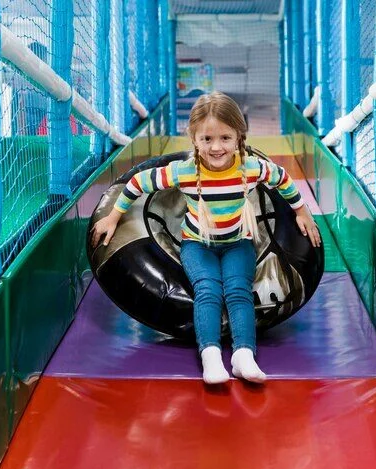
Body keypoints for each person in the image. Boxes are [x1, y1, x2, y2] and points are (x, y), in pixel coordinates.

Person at [92, 92, 321, 384]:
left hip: (238, 243)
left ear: (239, 136)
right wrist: (113, 216)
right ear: (194, 138)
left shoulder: (251, 168)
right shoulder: (185, 172)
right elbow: (137, 183)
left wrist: (302, 212)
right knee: (208, 290)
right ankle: (210, 356)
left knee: (239, 291)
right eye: (207, 139)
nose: (216, 147)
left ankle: (243, 356)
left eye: (225, 138)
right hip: (197, 245)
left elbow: (282, 179)